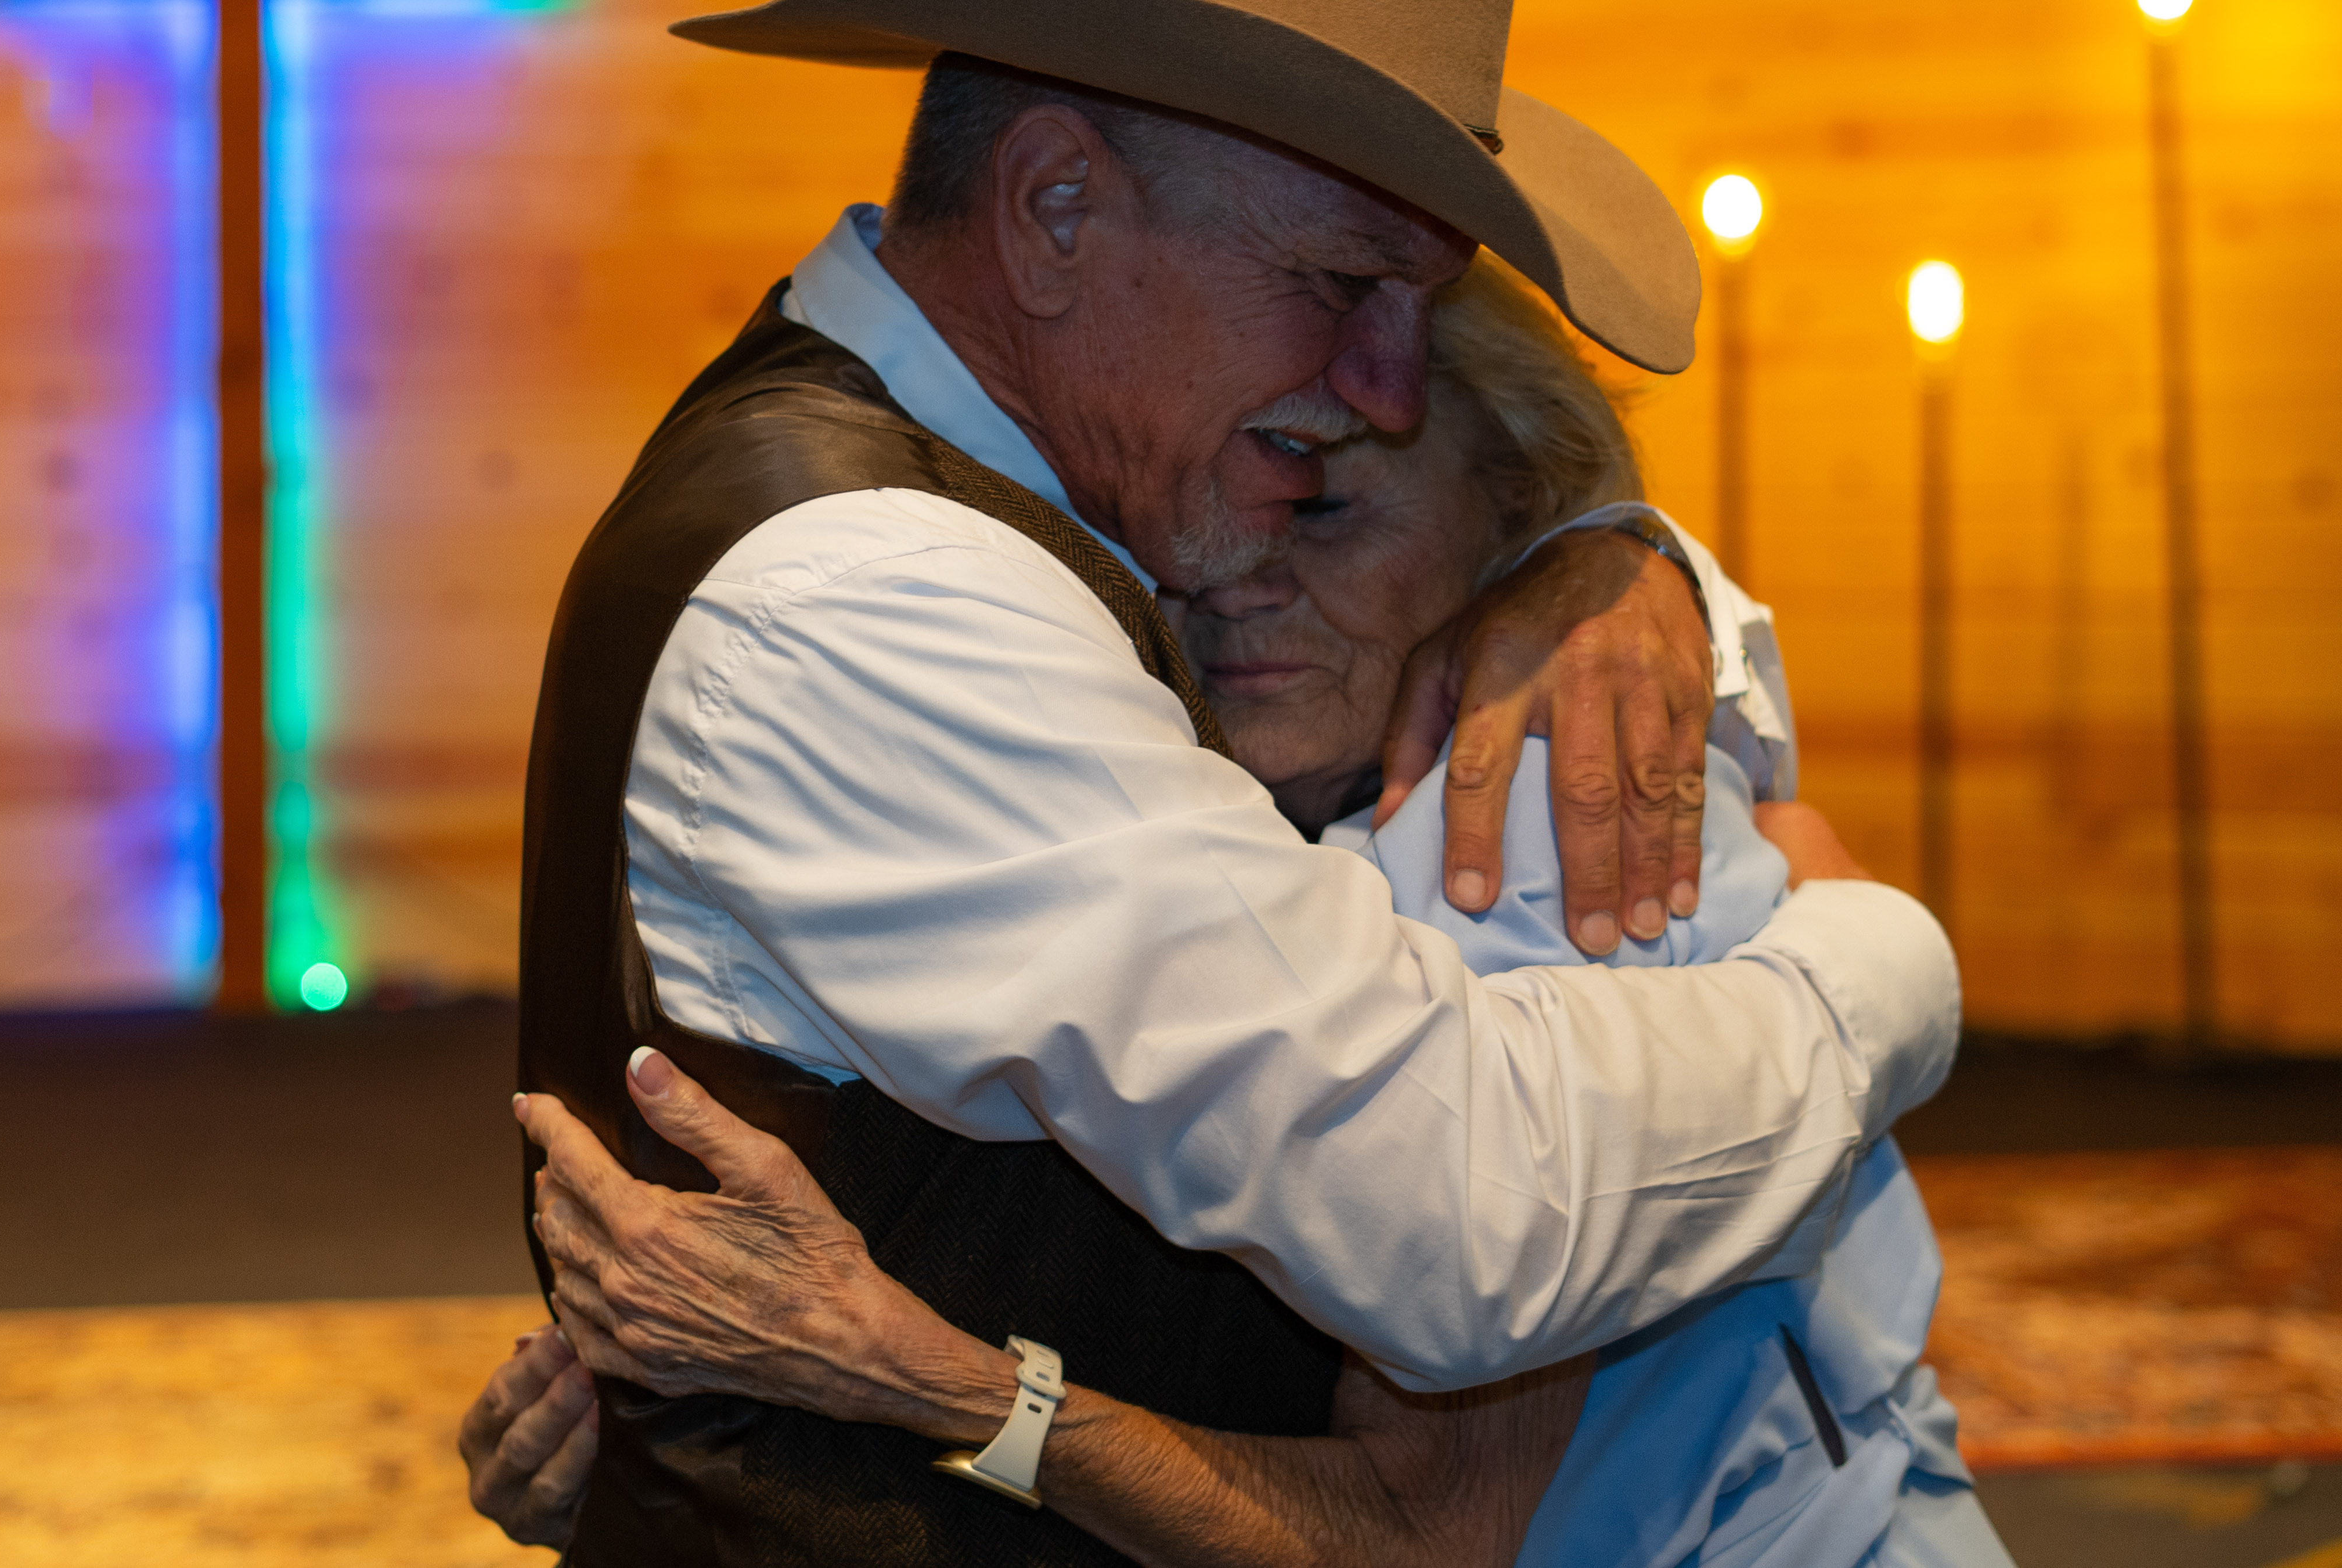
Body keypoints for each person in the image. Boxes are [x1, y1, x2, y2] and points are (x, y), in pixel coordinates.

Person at [510, 0, 1960, 1564]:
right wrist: (1884, 966)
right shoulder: (886, 588)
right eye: (1346, 284)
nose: (1385, 385)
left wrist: (1609, 554)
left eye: (1416, 318)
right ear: (1054, 210)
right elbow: (1465, 1220)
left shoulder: (1052, 511)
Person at [475, 265, 2007, 1563]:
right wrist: (664, 1420)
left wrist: (910, 1375)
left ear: (1515, 525)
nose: (1234, 581)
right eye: (1215, 517)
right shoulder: (1268, 809)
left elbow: (1421, 1536)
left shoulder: (1538, 850)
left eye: (1323, 509)